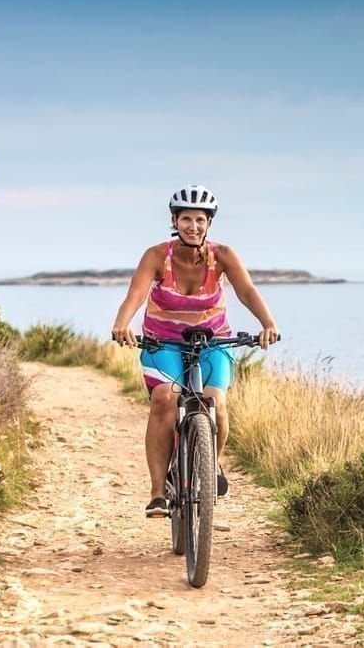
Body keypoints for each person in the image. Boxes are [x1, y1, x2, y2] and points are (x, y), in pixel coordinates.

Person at [111, 184, 280, 517]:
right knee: (164, 399)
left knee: (215, 402)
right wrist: (122, 323)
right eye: (186, 219)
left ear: (209, 223)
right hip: (163, 341)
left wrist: (268, 323)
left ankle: (210, 464)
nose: (193, 226)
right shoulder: (157, 256)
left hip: (213, 340)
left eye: (200, 219)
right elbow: (136, 294)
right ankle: (158, 492)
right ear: (175, 221)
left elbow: (246, 291)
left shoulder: (224, 255)